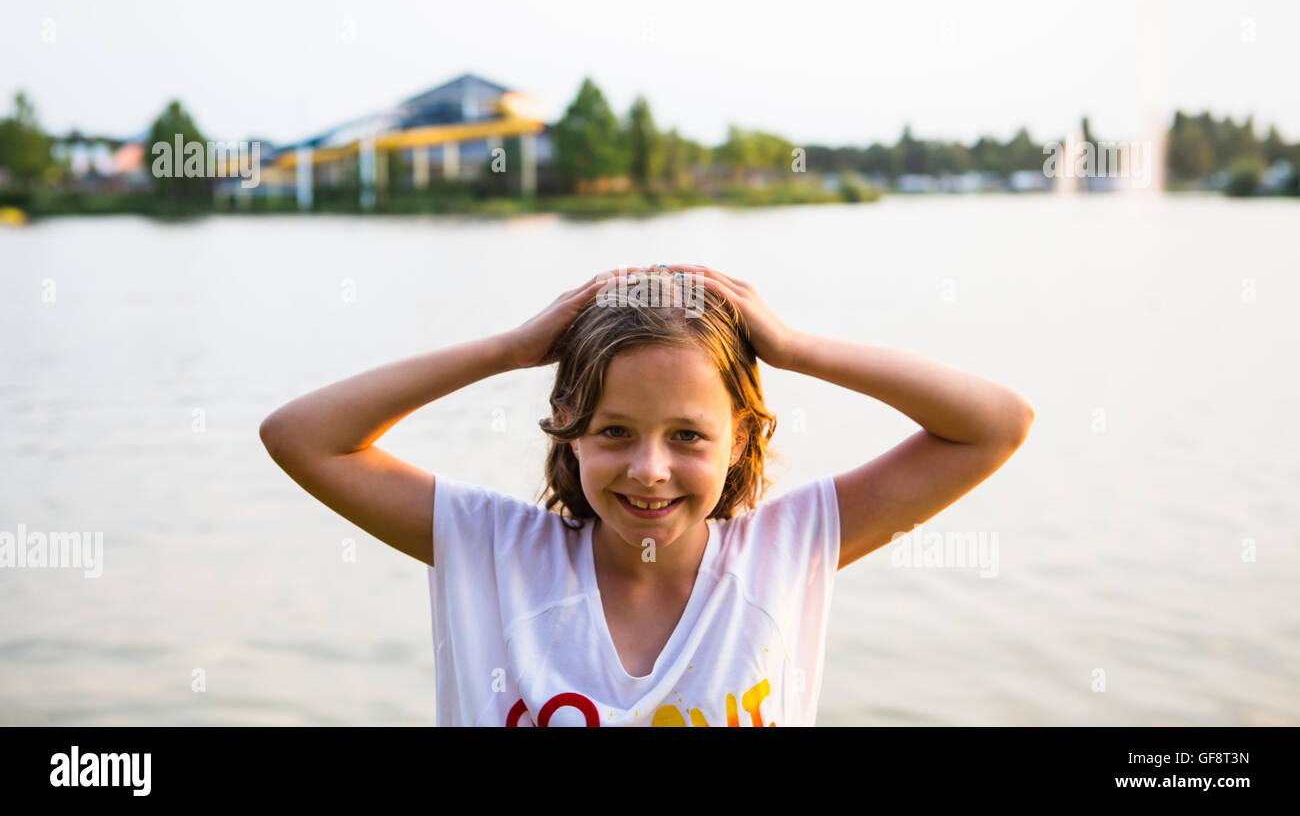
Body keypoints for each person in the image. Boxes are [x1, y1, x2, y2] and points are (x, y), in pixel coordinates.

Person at [259, 263, 1034, 726]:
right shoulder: (492, 550)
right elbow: (301, 435)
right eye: (614, 431)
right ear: (567, 431)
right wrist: (511, 348)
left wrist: (795, 348)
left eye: (688, 436)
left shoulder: (787, 549)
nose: (649, 468)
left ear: (742, 438)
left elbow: (995, 424)